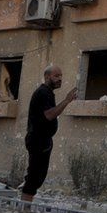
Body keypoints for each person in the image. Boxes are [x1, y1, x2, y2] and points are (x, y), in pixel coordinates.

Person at [21, 65, 76, 202]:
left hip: (43, 140)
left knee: (37, 176)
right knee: (34, 177)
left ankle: (25, 207)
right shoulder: (43, 93)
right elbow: (49, 115)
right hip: (37, 140)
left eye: (61, 76)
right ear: (47, 77)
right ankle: (24, 210)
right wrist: (67, 101)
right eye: (56, 76)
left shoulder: (48, 93)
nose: (59, 79)